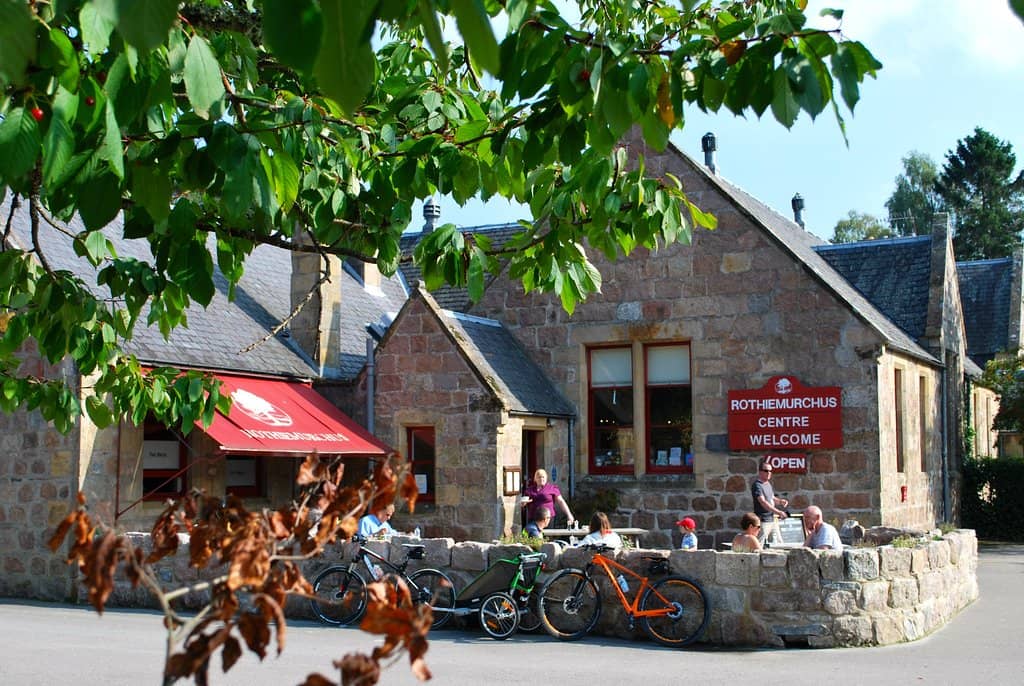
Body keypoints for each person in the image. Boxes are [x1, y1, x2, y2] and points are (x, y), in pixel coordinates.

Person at [751, 459, 788, 545]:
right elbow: (763, 502)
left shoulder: (767, 484)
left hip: (772, 519)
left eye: (770, 471)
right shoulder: (757, 485)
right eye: (766, 471)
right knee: (759, 544)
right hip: (763, 520)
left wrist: (780, 501)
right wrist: (779, 512)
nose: (769, 473)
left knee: (778, 543)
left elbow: (771, 497)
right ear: (760, 472)